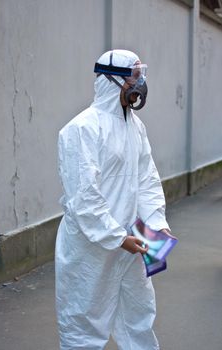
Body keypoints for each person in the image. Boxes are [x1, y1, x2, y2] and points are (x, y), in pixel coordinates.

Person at [55, 49, 171, 350]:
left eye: (140, 73)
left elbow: (147, 179)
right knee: (84, 324)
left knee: (139, 316)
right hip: (91, 247)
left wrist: (157, 224)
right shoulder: (81, 129)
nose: (140, 81)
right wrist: (117, 236)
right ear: (112, 79)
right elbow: (83, 196)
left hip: (132, 242)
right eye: (134, 75)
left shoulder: (135, 127)